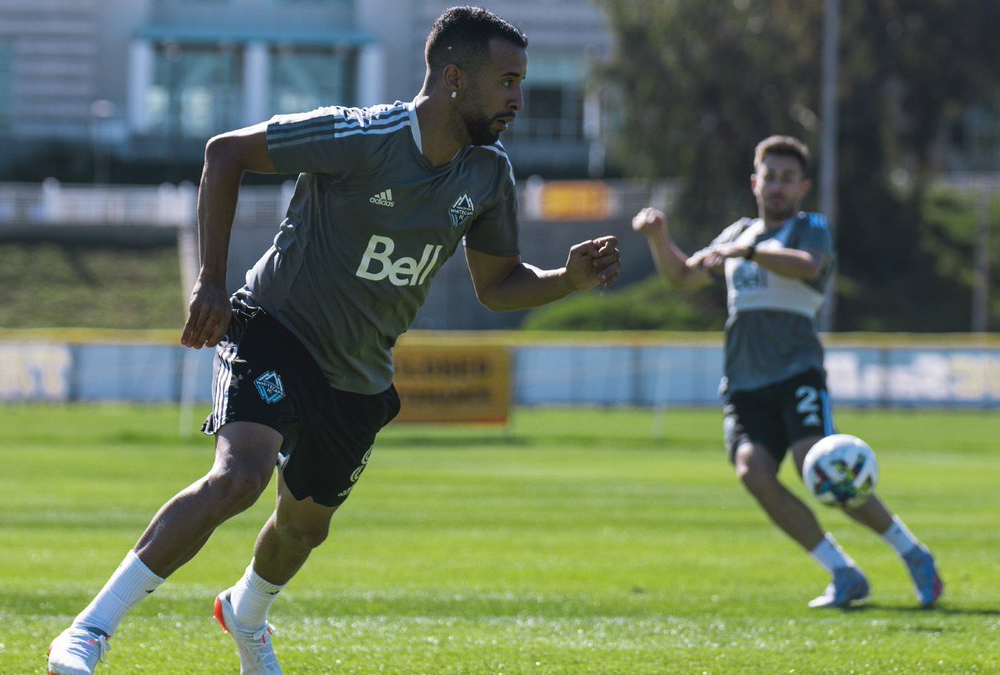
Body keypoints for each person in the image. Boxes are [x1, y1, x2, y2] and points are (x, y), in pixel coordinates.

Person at [47, 7, 620, 674]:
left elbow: (498, 285)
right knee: (240, 478)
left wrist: (568, 280)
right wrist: (209, 281)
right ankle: (89, 631)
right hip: (275, 328)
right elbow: (224, 153)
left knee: (303, 529)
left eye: (520, 83)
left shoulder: (489, 175)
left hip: (359, 376)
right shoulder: (360, 136)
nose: (519, 99)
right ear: (456, 79)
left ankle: (245, 613)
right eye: (509, 82)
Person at [631, 135, 940, 610]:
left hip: (797, 374)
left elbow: (808, 266)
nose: (777, 186)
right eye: (769, 176)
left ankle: (912, 552)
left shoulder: (808, 229)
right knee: (751, 472)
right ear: (755, 182)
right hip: (744, 384)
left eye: (787, 179)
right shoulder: (739, 232)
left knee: (817, 468)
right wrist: (659, 237)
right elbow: (683, 276)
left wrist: (745, 252)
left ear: (803, 187)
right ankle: (843, 572)